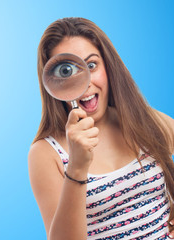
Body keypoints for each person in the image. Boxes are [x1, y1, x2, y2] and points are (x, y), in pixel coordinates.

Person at [28, 17, 174, 240]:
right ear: (51, 82)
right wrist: (76, 167)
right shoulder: (46, 153)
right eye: (66, 71)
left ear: (108, 66)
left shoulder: (143, 121)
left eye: (91, 65)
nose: (85, 82)